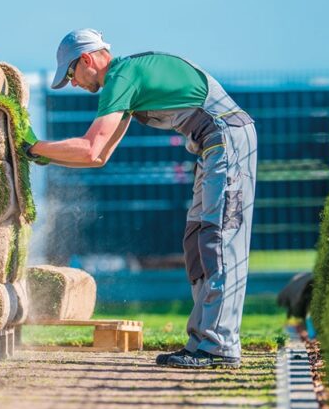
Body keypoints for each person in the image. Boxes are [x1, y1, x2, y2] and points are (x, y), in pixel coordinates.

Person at [21, 29, 258, 369]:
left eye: (71, 74)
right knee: (196, 242)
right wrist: (41, 154)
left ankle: (219, 346)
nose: (73, 83)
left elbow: (90, 149)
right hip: (213, 145)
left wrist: (34, 148)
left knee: (217, 239)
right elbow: (99, 157)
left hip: (227, 138)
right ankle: (202, 342)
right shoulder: (127, 78)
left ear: (87, 59)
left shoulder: (121, 77)